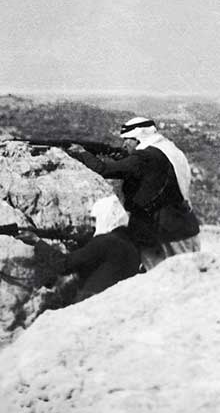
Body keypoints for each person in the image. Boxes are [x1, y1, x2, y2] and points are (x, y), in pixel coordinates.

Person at [68, 117, 200, 269]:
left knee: (166, 277)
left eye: (127, 140)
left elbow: (103, 169)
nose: (124, 144)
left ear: (138, 138)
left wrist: (82, 153)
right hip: (184, 227)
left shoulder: (144, 157)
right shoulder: (166, 149)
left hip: (164, 232)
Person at [17, 195, 142, 303]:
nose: (93, 224)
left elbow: (64, 265)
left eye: (95, 219)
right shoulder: (131, 247)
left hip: (92, 303)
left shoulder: (105, 241)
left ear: (106, 216)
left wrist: (37, 242)